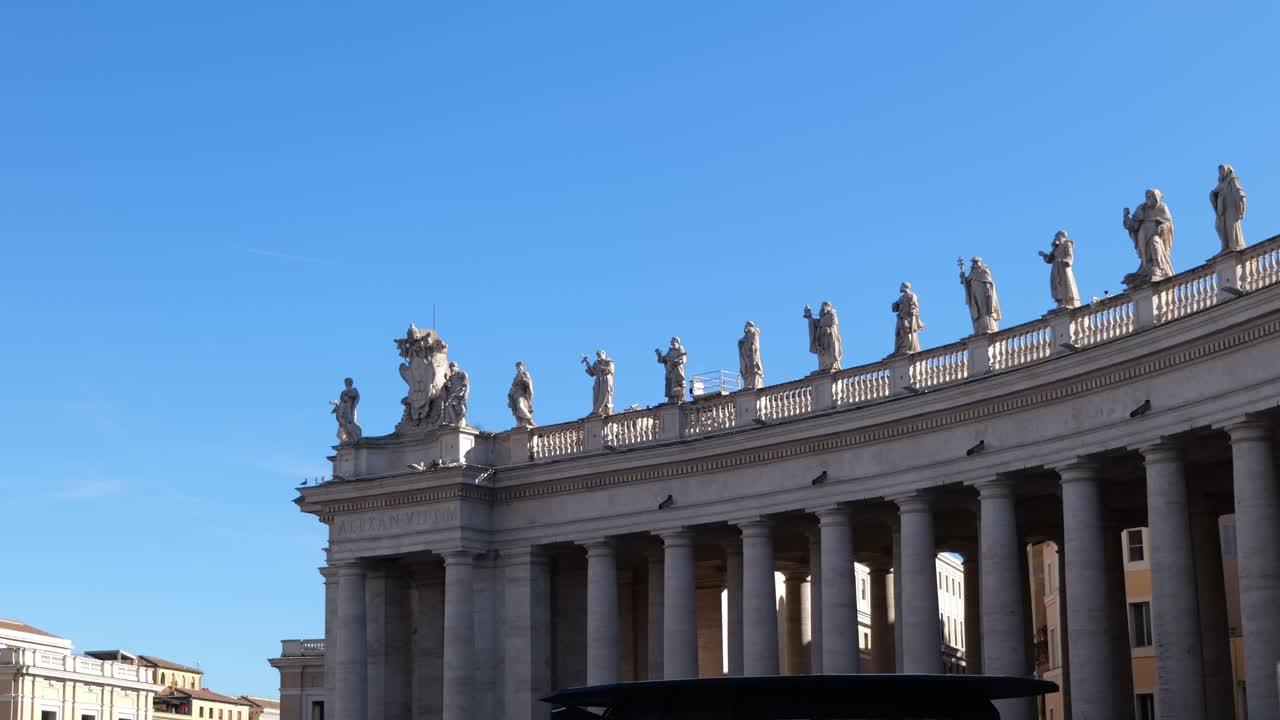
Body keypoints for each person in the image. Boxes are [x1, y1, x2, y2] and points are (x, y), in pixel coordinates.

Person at [1123, 188, 1175, 285]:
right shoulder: (1141, 208)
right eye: (1147, 197)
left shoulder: (1162, 207)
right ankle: (1146, 268)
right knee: (1144, 254)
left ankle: (1158, 266)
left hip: (1155, 234)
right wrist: (1126, 217)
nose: (1148, 199)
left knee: (1155, 243)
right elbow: (1133, 225)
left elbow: (1168, 223)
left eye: (1150, 196)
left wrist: (1163, 226)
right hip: (1143, 235)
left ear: (1156, 198)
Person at [1039, 231, 1081, 310]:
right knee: (1056, 284)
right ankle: (1060, 302)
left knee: (1065, 283)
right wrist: (1044, 255)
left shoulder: (1067, 244)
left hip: (1063, 266)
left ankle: (1068, 301)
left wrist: (1067, 261)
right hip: (1056, 267)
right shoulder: (1056, 247)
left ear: (1062, 236)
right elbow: (1049, 259)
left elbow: (1070, 255)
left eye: (1057, 236)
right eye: (1056, 237)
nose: (1056, 238)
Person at [1210, 164, 1247, 253]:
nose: (1221, 173)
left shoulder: (1232, 179)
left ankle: (1234, 245)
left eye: (1222, 170)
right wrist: (1213, 194)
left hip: (1231, 207)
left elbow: (1239, 192)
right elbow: (1214, 193)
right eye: (1220, 171)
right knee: (1219, 226)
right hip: (1222, 210)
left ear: (1227, 170)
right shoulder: (1221, 183)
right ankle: (1225, 246)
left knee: (1232, 226)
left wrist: (1242, 205)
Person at [960, 257, 1002, 334]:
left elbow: (988, 282)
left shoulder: (984, 271)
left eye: (976, 262)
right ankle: (979, 328)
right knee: (977, 309)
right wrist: (963, 277)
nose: (974, 264)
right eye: (973, 262)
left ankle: (988, 327)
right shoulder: (972, 273)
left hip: (983, 293)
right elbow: (966, 281)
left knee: (984, 309)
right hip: (975, 293)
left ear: (979, 262)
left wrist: (987, 289)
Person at [803, 302, 843, 372]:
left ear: (828, 307)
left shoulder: (832, 314)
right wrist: (810, 318)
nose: (821, 309)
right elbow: (816, 324)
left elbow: (834, 325)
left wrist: (830, 330)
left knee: (829, 353)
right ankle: (823, 368)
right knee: (823, 355)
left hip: (829, 338)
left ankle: (831, 365)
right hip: (821, 339)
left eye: (823, 307)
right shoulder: (822, 318)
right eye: (821, 307)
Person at [891, 282, 924, 354]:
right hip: (901, 317)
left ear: (905, 287)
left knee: (907, 330)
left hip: (908, 317)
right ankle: (900, 349)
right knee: (899, 332)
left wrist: (913, 311)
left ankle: (909, 346)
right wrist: (895, 305)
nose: (900, 288)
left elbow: (915, 305)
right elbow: (895, 309)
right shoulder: (901, 298)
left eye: (901, 286)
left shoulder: (912, 295)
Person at [582, 350, 615, 417]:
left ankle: (604, 410)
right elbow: (592, 373)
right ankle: (596, 410)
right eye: (597, 355)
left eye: (599, 354)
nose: (598, 356)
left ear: (603, 354)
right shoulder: (596, 363)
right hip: (598, 380)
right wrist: (587, 364)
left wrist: (602, 368)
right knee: (596, 395)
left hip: (605, 379)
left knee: (604, 394)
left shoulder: (608, 361)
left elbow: (611, 369)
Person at [655, 337, 688, 404]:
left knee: (678, 383)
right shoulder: (670, 351)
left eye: (672, 340)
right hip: (669, 370)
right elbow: (664, 360)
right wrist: (659, 355)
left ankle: (679, 398)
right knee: (670, 384)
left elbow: (683, 357)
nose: (670, 341)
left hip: (676, 369)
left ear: (676, 341)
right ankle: (671, 399)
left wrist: (678, 361)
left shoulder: (680, 348)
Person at [330, 377, 362, 444]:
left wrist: (348, 392)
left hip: (349, 409)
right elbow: (341, 401)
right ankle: (348, 438)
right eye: (345, 382)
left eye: (347, 381)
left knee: (350, 424)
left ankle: (353, 438)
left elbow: (355, 395)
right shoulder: (343, 392)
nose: (346, 383)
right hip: (343, 409)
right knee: (343, 424)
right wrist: (336, 404)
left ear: (351, 382)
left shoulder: (354, 390)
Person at [508, 361, 536, 428]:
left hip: (521, 393)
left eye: (520, 366)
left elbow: (529, 382)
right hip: (515, 394)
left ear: (523, 366)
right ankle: (520, 422)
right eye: (517, 366)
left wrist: (525, 379)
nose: (519, 367)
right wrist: (510, 395)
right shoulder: (515, 377)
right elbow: (513, 386)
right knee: (516, 409)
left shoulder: (525, 373)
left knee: (521, 406)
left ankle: (530, 420)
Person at [441, 362, 469, 426]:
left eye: (452, 368)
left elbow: (466, 385)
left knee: (458, 407)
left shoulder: (462, 374)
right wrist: (446, 384)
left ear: (456, 367)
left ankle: (458, 422)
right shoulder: (451, 377)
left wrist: (465, 394)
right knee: (448, 405)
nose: (451, 370)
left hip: (459, 393)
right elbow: (450, 386)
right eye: (450, 369)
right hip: (453, 394)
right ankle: (453, 422)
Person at [738, 321, 764, 389]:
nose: (745, 327)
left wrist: (752, 349)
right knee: (746, 368)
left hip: (752, 355)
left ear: (750, 326)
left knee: (754, 368)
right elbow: (742, 341)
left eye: (746, 325)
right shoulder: (746, 335)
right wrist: (741, 343)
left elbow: (755, 344)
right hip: (746, 355)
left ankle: (754, 384)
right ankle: (748, 384)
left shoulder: (754, 333)